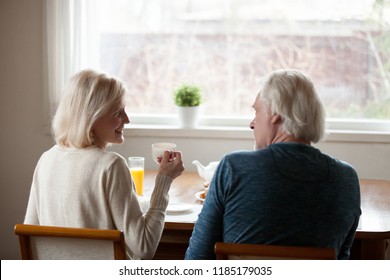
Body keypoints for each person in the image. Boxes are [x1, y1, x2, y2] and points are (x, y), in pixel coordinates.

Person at [185, 69, 361, 260]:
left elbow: (197, 258)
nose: (252, 124)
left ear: (276, 113)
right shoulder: (347, 178)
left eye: (256, 111)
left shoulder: (234, 167)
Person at [24, 69, 185, 259]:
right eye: (118, 112)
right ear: (91, 116)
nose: (127, 119)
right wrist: (164, 181)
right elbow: (144, 247)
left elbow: (30, 235)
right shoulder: (111, 165)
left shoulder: (46, 160)